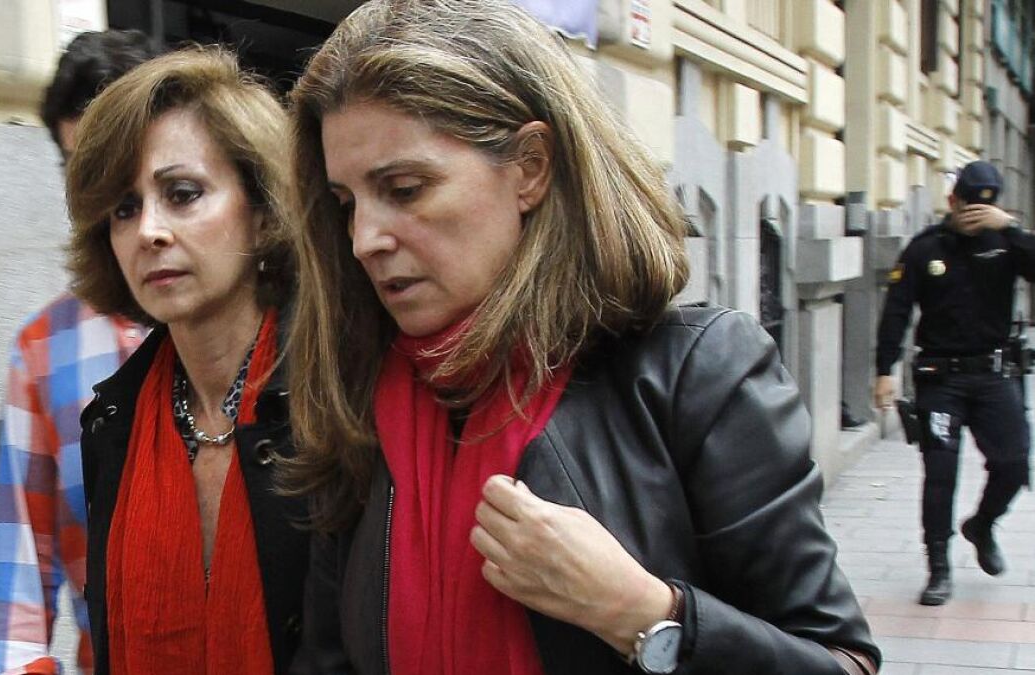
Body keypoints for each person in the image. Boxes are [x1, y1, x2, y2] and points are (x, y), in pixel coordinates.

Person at [283, 1, 880, 674]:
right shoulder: (363, 399)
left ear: (530, 167)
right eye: (346, 204)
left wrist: (640, 612)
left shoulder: (697, 375)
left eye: (404, 188)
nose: (364, 239)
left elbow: (841, 660)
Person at [64, 46, 308, 675]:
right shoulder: (112, 422)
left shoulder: (331, 400)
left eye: (182, 194)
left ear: (262, 213)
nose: (149, 230)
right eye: (124, 208)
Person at [0, 29, 157, 675]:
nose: (106, 196)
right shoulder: (44, 349)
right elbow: (19, 598)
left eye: (122, 161)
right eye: (84, 168)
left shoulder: (271, 321)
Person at [874, 159, 1035, 606]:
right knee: (940, 473)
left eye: (985, 207)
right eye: (968, 205)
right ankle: (939, 569)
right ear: (952, 200)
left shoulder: (1006, 243)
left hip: (993, 376)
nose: (974, 215)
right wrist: (885, 369)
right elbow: (897, 309)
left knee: (1014, 463)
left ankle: (982, 524)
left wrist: (1012, 229)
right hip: (940, 378)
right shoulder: (925, 248)